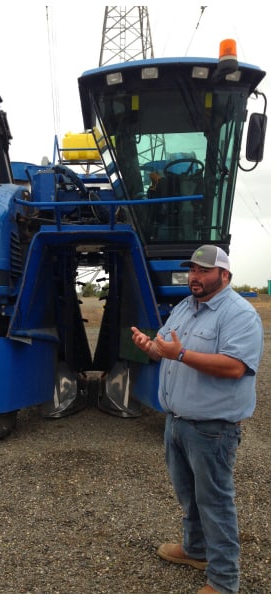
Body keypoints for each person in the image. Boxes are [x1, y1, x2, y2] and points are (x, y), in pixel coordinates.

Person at [130, 245, 264, 594]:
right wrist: (151, 347)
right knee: (189, 497)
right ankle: (196, 550)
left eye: (204, 271)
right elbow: (166, 348)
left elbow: (235, 367)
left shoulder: (240, 314)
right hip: (177, 422)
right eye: (192, 270)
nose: (195, 277)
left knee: (215, 503)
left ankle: (223, 581)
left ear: (225, 275)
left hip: (212, 430)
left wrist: (183, 354)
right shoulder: (185, 308)